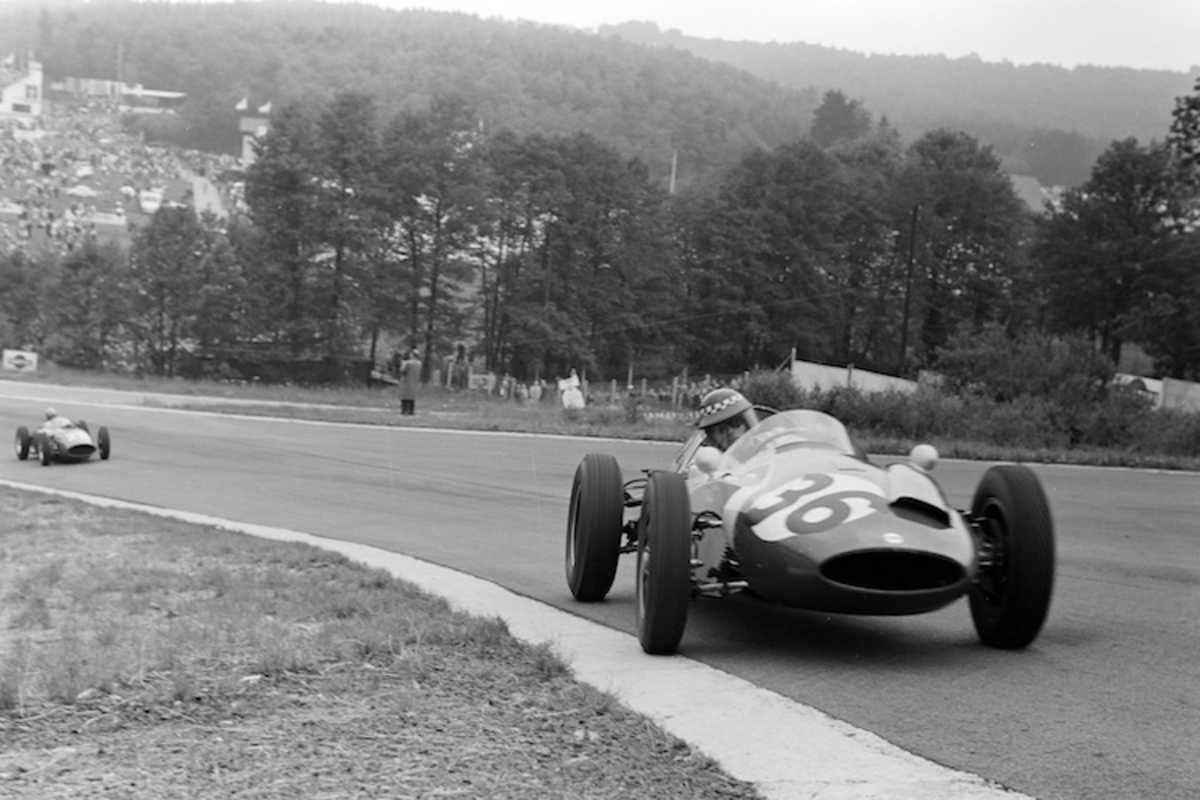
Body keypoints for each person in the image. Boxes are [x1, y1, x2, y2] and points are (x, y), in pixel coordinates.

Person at [398, 348, 422, 416]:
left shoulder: (408, 363)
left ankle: (404, 410)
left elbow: (402, 371)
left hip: (406, 381)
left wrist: (403, 363)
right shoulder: (419, 363)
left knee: (404, 397)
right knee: (412, 397)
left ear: (412, 355)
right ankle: (411, 411)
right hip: (415, 382)